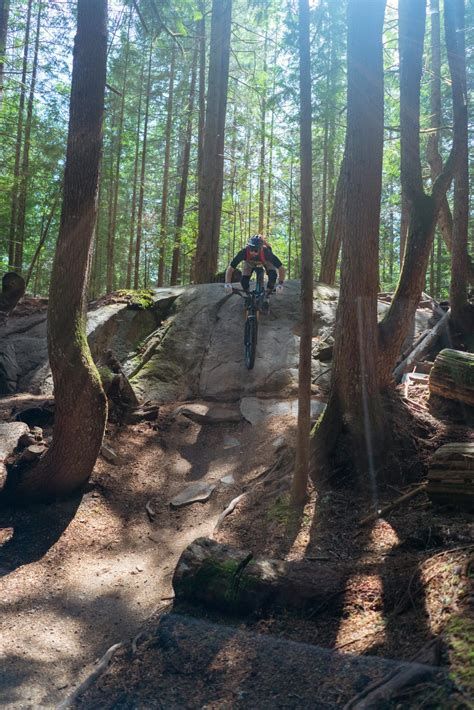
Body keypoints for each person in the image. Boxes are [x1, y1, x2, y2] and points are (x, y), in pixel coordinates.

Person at [224, 235, 286, 300]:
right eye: (251, 249)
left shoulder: (267, 252)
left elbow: (281, 268)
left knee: (273, 276)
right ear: (248, 247)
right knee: (244, 281)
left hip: (266, 261)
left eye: (256, 250)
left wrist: (280, 284)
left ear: (261, 249)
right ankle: (248, 295)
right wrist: (227, 283)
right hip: (249, 262)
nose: (253, 252)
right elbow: (231, 268)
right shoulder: (243, 252)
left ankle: (267, 296)